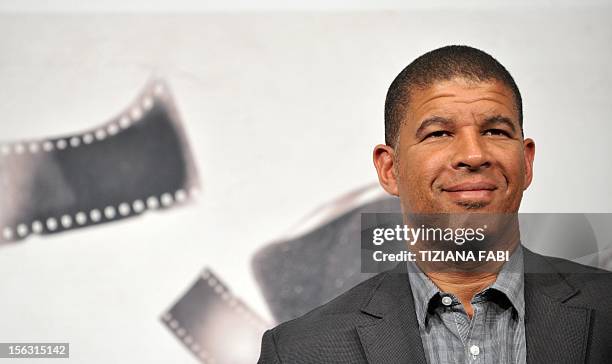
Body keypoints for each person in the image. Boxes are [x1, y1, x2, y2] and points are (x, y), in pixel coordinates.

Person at [257, 45, 612, 363]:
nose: (473, 155)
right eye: (439, 133)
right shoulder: (299, 351)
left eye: (496, 131)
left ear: (527, 161)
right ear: (389, 168)